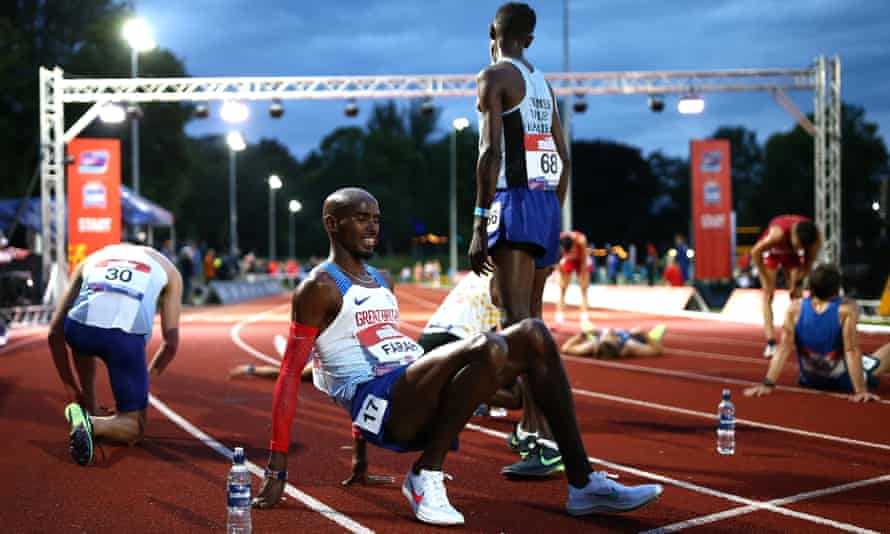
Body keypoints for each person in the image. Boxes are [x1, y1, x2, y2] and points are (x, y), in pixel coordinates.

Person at [252, 188, 663, 525]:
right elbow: (291, 376)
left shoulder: (382, 279)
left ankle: (583, 482)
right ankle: (424, 473)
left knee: (534, 334)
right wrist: (276, 469)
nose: (373, 226)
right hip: (381, 404)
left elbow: (376, 347)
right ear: (332, 223)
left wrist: (360, 463)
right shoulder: (319, 288)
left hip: (412, 384)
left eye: (376, 218)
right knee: (488, 345)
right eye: (361, 218)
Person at [469, 1, 569, 479]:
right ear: (529, 39)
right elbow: (563, 158)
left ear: (494, 34)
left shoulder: (493, 77)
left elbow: (490, 152)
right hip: (545, 204)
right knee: (532, 321)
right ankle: (532, 428)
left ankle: (546, 439)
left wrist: (478, 221)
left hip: (514, 201)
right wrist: (553, 216)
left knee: (515, 325)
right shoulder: (544, 84)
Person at [46, 243, 183, 466]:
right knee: (134, 428)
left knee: (85, 328)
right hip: (123, 337)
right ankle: (92, 424)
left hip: (78, 330)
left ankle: (89, 404)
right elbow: (171, 344)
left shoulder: (90, 259)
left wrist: (71, 389)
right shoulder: (171, 272)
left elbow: (54, 333)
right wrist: (143, 381)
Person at [744, 264, 889, 402]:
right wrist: (860, 390)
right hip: (843, 381)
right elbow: (851, 350)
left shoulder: (794, 309)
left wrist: (767, 384)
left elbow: (783, 349)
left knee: (868, 359)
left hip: (810, 380)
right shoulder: (846, 310)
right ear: (837, 288)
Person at [750, 215, 822, 358]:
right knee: (768, 294)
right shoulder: (777, 234)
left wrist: (797, 283)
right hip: (772, 252)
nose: (798, 248)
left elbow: (807, 265)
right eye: (797, 245)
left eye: (801, 248)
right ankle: (771, 342)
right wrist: (764, 276)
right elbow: (755, 252)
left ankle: (802, 336)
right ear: (793, 234)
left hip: (792, 257)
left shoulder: (815, 239)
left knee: (797, 295)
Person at [561, 324, 667, 359]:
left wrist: (583, 334)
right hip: (639, 338)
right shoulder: (630, 345)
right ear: (616, 342)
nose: (609, 331)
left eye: (606, 335)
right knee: (661, 328)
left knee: (587, 326)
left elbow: (565, 348)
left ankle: (589, 332)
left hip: (595, 339)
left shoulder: (593, 345)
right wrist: (645, 335)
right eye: (609, 335)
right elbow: (658, 350)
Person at [555, 231, 590, 326]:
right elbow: (556, 259)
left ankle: (584, 317)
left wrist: (583, 272)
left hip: (580, 259)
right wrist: (559, 270)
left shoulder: (581, 240)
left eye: (571, 251)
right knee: (562, 288)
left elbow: (584, 259)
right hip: (568, 260)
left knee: (584, 289)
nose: (570, 253)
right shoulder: (557, 239)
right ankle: (559, 316)